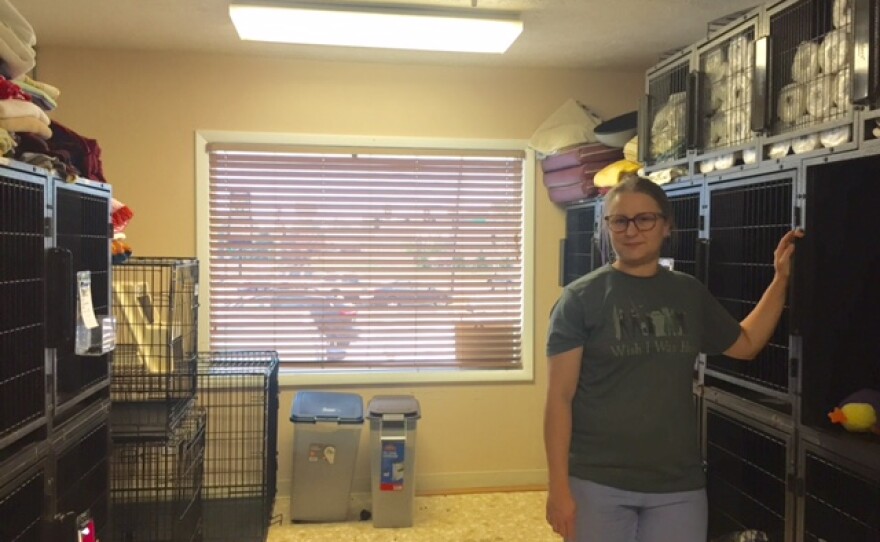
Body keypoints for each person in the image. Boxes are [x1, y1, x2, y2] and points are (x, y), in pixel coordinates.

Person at [543, 173, 802, 542]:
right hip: (598, 480)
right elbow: (559, 398)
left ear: (666, 226)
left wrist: (780, 280)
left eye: (645, 219)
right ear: (607, 227)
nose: (632, 230)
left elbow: (745, 344)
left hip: (678, 486)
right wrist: (558, 488)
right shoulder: (580, 299)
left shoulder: (687, 293)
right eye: (620, 220)